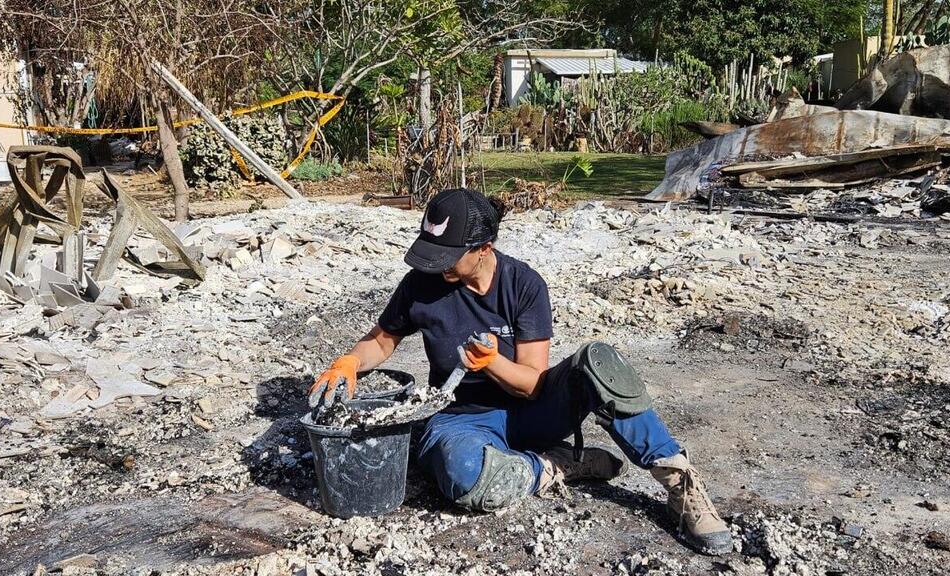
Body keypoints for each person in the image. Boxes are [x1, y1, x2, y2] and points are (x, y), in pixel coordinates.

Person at [308, 188, 732, 555]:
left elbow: (532, 383)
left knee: (598, 361)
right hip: (462, 419)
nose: (438, 267)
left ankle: (680, 482)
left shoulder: (523, 285)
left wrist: (493, 364)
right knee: (461, 477)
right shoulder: (420, 285)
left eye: (449, 258)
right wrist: (348, 361)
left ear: (484, 249)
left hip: (532, 410)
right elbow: (382, 340)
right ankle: (556, 466)